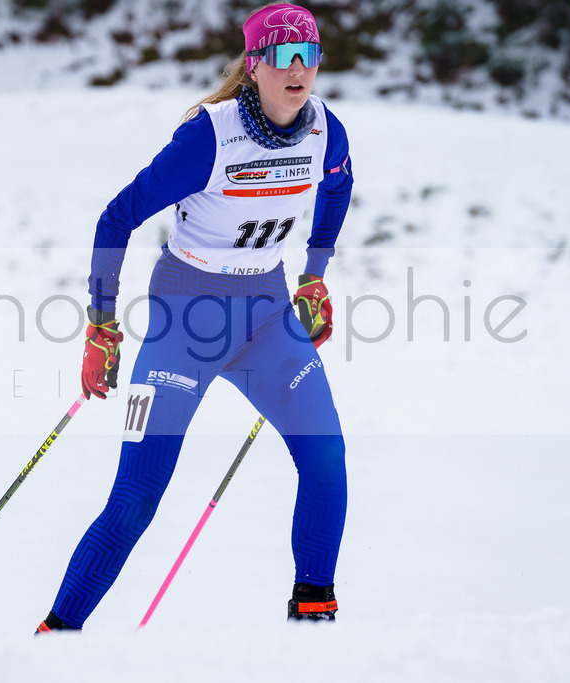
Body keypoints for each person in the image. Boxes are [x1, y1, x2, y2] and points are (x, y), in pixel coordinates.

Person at [35, 2, 352, 632]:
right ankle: (57, 638)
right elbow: (115, 218)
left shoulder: (326, 130)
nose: (298, 71)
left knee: (326, 458)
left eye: (309, 55)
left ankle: (314, 618)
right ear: (255, 64)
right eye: (282, 56)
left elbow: (338, 189)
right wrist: (100, 325)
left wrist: (314, 274)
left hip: (267, 317)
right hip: (184, 323)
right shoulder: (210, 135)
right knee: (135, 499)